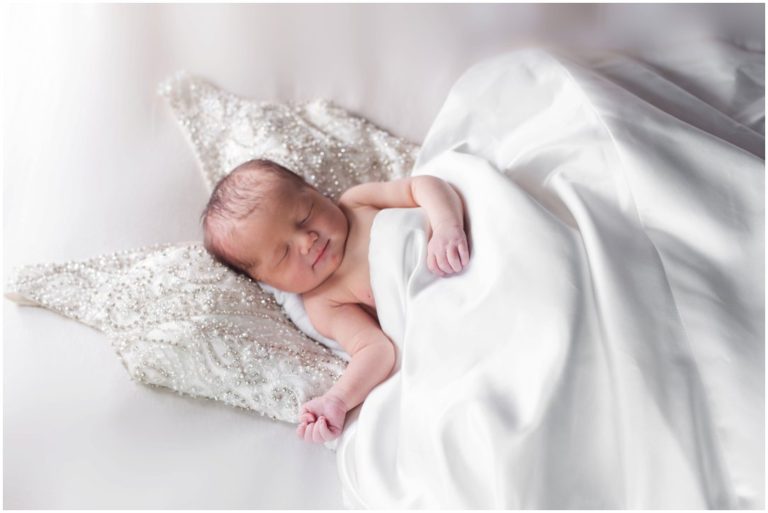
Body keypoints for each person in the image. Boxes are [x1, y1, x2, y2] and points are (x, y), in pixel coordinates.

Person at [200, 158, 470, 443]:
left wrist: (445, 226)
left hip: (466, 244)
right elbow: (376, 350)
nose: (307, 240)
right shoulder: (323, 303)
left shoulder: (356, 203)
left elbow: (423, 186)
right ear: (269, 282)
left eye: (306, 215)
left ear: (315, 191)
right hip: (453, 311)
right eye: (283, 254)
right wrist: (337, 400)